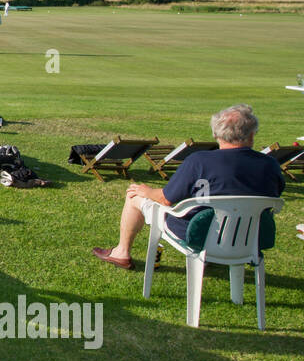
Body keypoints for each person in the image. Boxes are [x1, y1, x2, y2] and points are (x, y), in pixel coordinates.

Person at [92, 104, 284, 269]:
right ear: (251, 135)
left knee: (134, 194)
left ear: (216, 134)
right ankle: (219, 252)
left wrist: (147, 191)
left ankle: (121, 252)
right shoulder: (270, 164)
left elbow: (166, 198)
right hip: (252, 237)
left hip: (199, 234)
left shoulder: (200, 161)